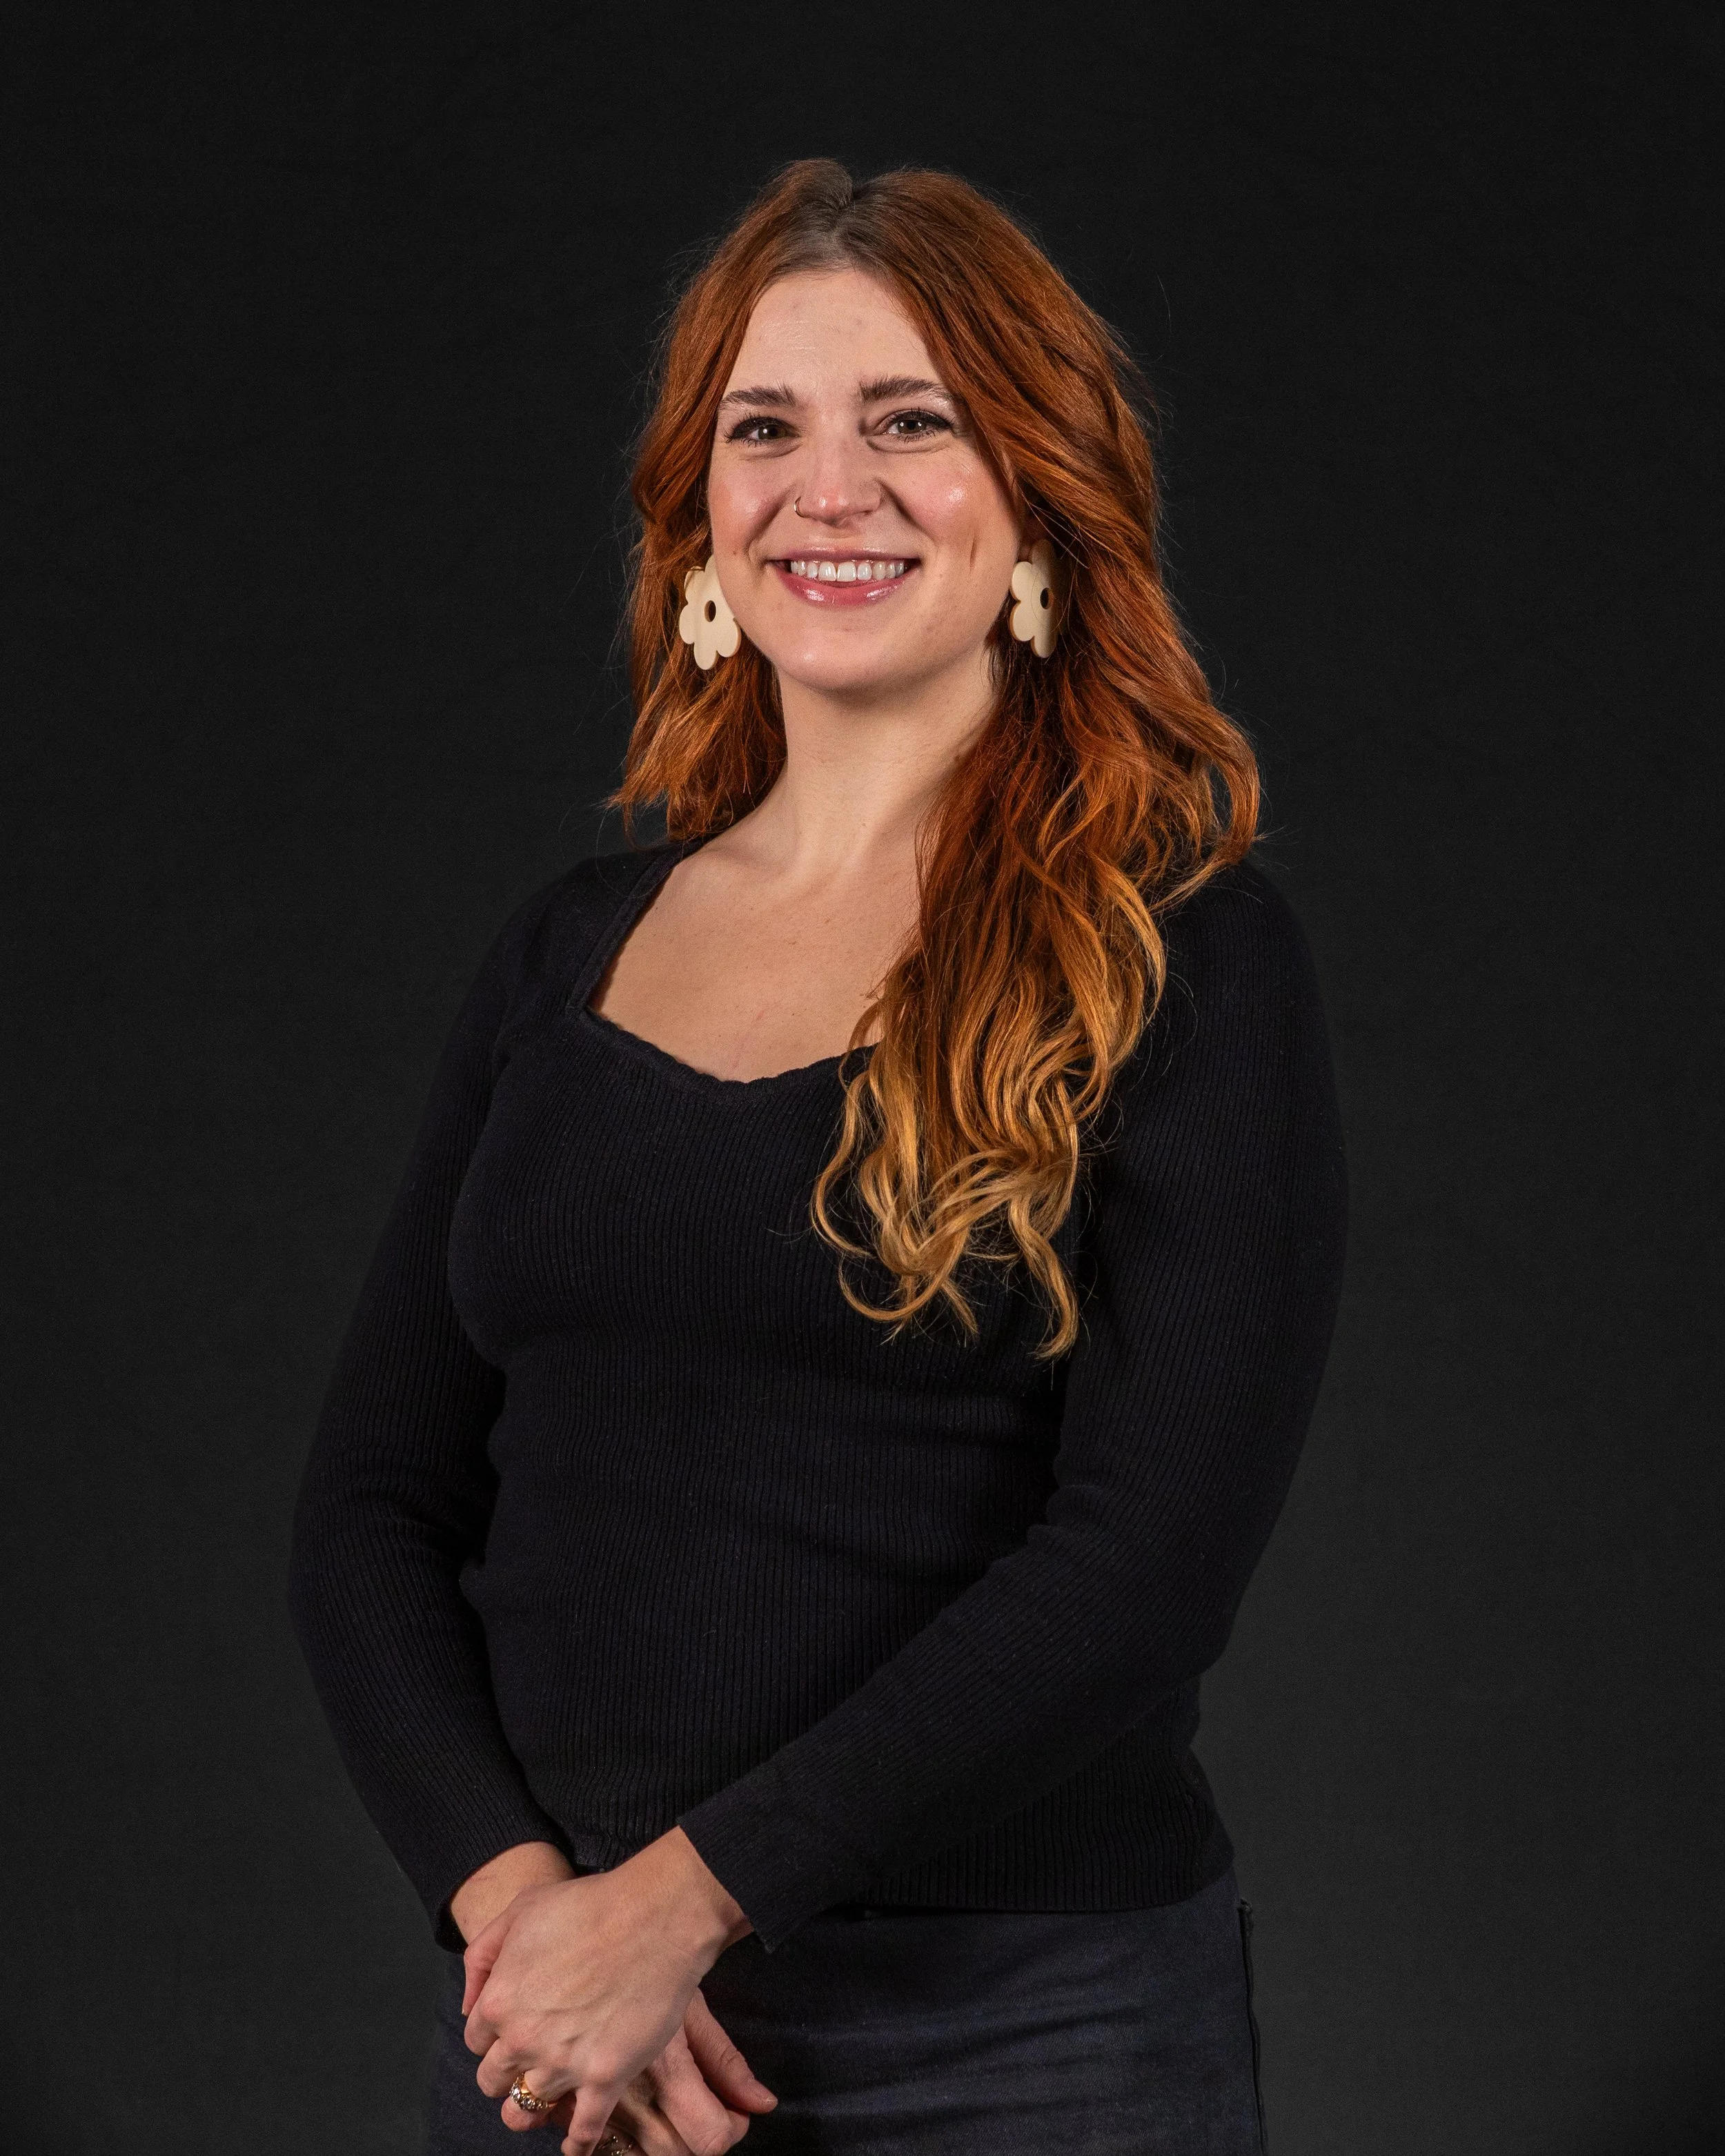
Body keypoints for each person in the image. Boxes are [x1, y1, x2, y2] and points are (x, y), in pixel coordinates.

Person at [290, 159, 1348, 2156]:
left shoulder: (1177, 951)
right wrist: (526, 1921)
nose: (827, 489)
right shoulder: (566, 952)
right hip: (568, 2049)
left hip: (1021, 2044)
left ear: (1036, 498)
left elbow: (1144, 1562)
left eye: (911, 421)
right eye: (763, 429)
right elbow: (367, 1509)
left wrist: (684, 1904)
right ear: (700, 512)